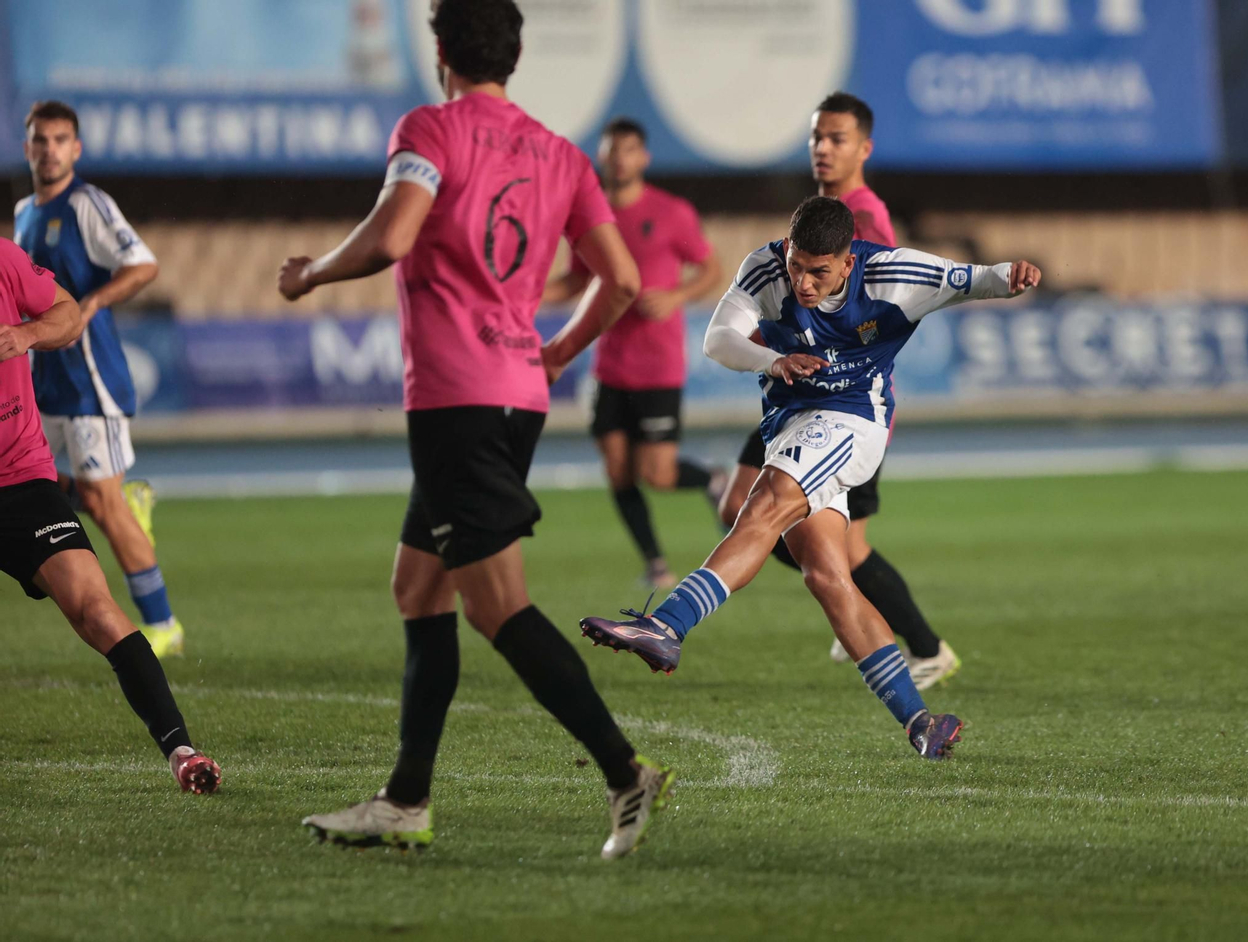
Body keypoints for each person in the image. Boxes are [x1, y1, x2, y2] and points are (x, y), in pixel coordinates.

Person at [278, 0, 672, 859]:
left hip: (456, 399)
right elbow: (622, 279)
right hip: (517, 392)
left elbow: (392, 237)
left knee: (499, 609)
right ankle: (405, 800)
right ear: (515, 55)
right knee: (419, 588)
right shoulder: (561, 153)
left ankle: (624, 771)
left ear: (441, 50)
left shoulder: (430, 129)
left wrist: (312, 273)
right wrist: (557, 352)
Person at [581, 196, 1041, 760]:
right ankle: (921, 721)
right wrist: (770, 361)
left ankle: (668, 625)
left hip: (854, 421)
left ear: (848, 262)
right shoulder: (765, 266)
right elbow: (718, 338)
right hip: (790, 426)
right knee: (827, 576)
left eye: (818, 272)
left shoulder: (895, 275)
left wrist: (1012, 275)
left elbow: (974, 279)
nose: (802, 282)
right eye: (796, 265)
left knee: (764, 504)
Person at [714, 92, 960, 689]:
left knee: (840, 549)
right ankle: (847, 602)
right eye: (816, 137)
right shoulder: (818, 215)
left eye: (837, 139)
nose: (823, 149)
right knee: (745, 510)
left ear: (864, 149)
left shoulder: (864, 220)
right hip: (795, 392)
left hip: (843, 404)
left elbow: (874, 310)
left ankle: (923, 646)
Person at [0, 236, 219, 794]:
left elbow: (68, 313)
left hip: (20, 478)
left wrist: (26, 334)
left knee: (95, 609)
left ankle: (181, 751)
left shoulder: (3, 259)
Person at [13, 100, 181, 657]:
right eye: (41, 140)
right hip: (44, 381)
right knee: (39, 484)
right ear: (27, 147)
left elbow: (144, 264)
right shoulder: (24, 212)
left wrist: (90, 304)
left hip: (90, 382)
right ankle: (121, 499)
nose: (50, 150)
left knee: (102, 504)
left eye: (60, 140)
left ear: (76, 148)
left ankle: (163, 624)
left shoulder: (87, 204)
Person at [544, 117, 726, 589]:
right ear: (601, 157)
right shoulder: (589, 213)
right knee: (617, 470)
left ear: (643, 157)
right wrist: (526, 295)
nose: (620, 158)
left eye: (629, 149)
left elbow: (710, 269)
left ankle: (714, 479)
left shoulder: (671, 212)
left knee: (658, 474)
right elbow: (577, 279)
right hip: (608, 366)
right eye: (612, 150)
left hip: (658, 366)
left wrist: (677, 296)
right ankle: (656, 564)